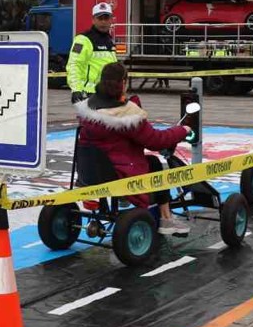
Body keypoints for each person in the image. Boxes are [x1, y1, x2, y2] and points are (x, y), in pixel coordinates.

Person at [75, 63, 193, 236]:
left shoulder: (88, 110)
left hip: (89, 171)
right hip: (118, 173)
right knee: (153, 163)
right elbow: (156, 141)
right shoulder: (126, 115)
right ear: (123, 83)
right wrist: (182, 130)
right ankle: (166, 218)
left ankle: (128, 202)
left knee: (135, 158)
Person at [67, 2, 118, 103]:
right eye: (100, 18)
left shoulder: (110, 40)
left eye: (106, 18)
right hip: (88, 94)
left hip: (107, 94)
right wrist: (76, 89)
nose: (103, 22)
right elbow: (74, 65)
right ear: (93, 20)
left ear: (111, 20)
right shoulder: (82, 40)